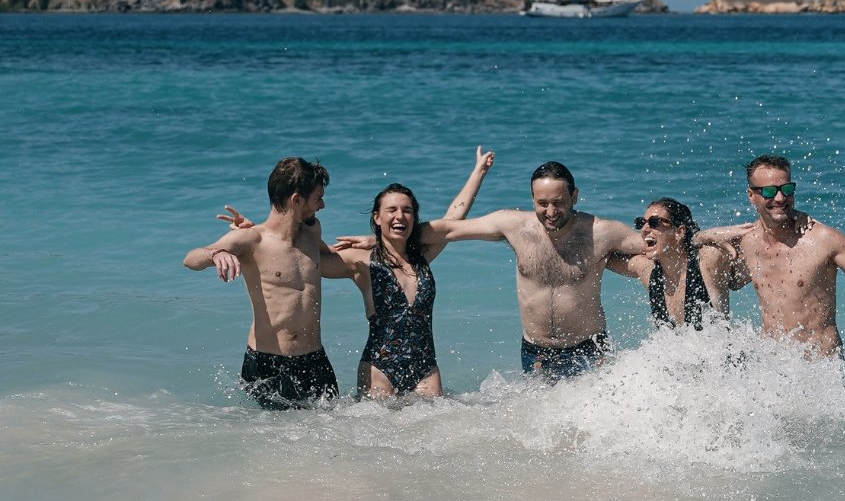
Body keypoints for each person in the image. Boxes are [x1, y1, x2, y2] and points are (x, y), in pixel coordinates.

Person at [337, 161, 646, 381]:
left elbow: (650, 244)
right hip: (536, 353)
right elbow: (449, 229)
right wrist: (383, 239)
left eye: (559, 203)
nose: (550, 212)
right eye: (542, 203)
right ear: (532, 200)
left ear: (574, 197)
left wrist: (693, 237)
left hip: (590, 349)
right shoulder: (513, 225)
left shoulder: (602, 231)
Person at [695, 154, 845, 357]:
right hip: (772, 367)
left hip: (821, 371)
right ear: (751, 195)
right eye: (769, 192)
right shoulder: (748, 241)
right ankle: (720, 343)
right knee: (709, 252)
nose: (780, 198)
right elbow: (686, 246)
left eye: (787, 189)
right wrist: (709, 234)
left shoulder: (824, 240)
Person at [333, 148, 495, 398]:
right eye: (392, 210)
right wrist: (261, 236)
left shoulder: (423, 257)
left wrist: (479, 172)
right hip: (379, 368)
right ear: (377, 217)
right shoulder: (361, 261)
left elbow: (454, 219)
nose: (400, 216)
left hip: (426, 369)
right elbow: (310, 259)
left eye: (407, 210)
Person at [183, 156, 340, 409]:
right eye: (317, 198)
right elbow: (190, 258)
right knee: (276, 442)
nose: (322, 204)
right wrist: (217, 253)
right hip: (269, 365)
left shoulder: (312, 231)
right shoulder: (251, 240)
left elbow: (330, 256)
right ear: (296, 200)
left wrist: (372, 243)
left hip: (315, 360)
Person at [606, 198, 736, 327]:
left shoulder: (706, 260)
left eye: (654, 222)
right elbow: (603, 255)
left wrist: (701, 236)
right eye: (641, 223)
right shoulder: (648, 271)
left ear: (679, 232)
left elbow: (753, 243)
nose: (644, 229)